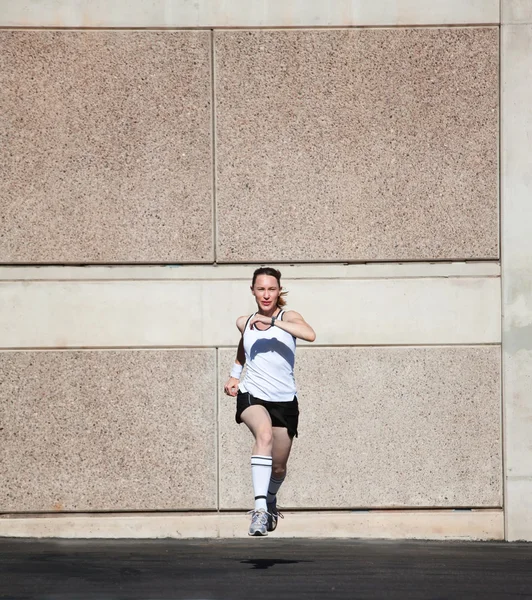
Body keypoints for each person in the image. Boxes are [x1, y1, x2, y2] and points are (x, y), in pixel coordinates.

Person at [224, 267, 316, 536]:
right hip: (252, 394)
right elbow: (244, 345)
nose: (266, 294)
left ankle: (271, 499)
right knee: (262, 434)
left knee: (279, 466)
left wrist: (273, 323)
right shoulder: (245, 321)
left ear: (279, 291)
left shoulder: (289, 316)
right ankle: (260, 510)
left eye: (271, 289)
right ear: (253, 290)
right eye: (261, 289)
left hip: (284, 400)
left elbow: (309, 334)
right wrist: (234, 375)